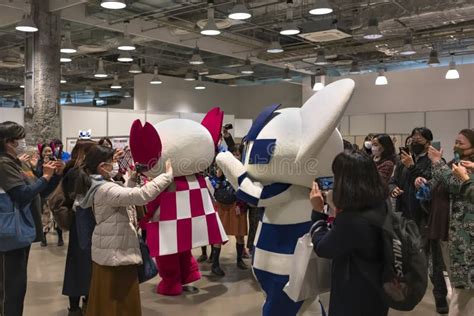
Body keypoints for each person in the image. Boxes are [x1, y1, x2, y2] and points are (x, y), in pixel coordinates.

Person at [74, 145, 173, 316]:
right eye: (113, 161)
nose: (116, 164)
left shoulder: (100, 183)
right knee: (119, 301)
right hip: (116, 253)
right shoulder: (105, 188)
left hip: (112, 249)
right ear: (102, 167)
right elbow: (141, 195)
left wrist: (133, 177)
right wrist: (167, 176)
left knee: (108, 299)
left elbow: (125, 194)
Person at [309, 151, 388, 316]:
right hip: (378, 289)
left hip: (354, 295)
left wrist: (317, 212)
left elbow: (324, 247)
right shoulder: (380, 204)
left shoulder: (352, 220)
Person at [0, 121, 57, 316]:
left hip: (17, 231)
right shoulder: (4, 164)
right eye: (20, 139)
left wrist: (45, 175)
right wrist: (45, 178)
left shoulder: (13, 162)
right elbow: (23, 194)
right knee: (13, 287)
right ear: (9, 142)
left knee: (14, 285)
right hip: (11, 233)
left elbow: (36, 192)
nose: (23, 143)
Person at [424, 129, 474, 315]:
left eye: (461, 143)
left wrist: (438, 162)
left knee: (463, 291)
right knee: (457, 284)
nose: (456, 146)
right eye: (456, 141)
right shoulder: (458, 163)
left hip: (465, 237)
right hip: (449, 231)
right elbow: (441, 182)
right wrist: (424, 182)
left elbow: (455, 183)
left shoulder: (468, 167)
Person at [61, 139, 97, 316]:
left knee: (82, 264)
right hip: (82, 222)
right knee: (80, 264)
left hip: (84, 223)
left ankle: (83, 304)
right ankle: (77, 307)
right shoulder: (76, 172)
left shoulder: (75, 170)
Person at [35, 143, 65, 247]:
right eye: (45, 151)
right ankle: (44, 238)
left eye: (49, 151)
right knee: (45, 217)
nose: (48, 153)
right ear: (41, 153)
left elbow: (60, 176)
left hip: (55, 193)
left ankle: (60, 237)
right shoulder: (38, 163)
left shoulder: (56, 161)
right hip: (44, 193)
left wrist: (59, 169)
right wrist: (44, 167)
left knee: (57, 216)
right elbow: (38, 176)